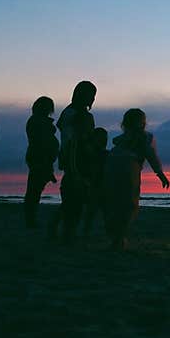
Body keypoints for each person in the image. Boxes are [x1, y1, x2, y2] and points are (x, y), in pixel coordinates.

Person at [102, 109, 169, 251]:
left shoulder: (121, 139)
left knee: (114, 201)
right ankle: (119, 238)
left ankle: (115, 236)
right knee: (130, 203)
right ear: (143, 123)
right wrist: (160, 174)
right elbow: (151, 155)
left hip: (111, 164)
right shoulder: (146, 137)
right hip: (129, 166)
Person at [55, 80, 97, 244]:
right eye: (91, 96)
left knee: (72, 197)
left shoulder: (68, 113)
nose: (93, 100)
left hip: (71, 157)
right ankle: (69, 233)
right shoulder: (81, 116)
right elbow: (77, 141)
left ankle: (62, 229)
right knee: (76, 197)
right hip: (78, 159)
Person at [23, 96, 59, 229]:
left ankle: (30, 219)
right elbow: (41, 142)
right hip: (40, 159)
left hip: (41, 158)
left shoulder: (39, 121)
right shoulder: (37, 122)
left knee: (35, 189)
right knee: (34, 190)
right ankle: (30, 220)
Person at [83, 127, 109, 233]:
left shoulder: (104, 154)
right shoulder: (91, 153)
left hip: (100, 184)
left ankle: (87, 230)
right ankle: (87, 230)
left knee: (99, 210)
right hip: (95, 184)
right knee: (94, 210)